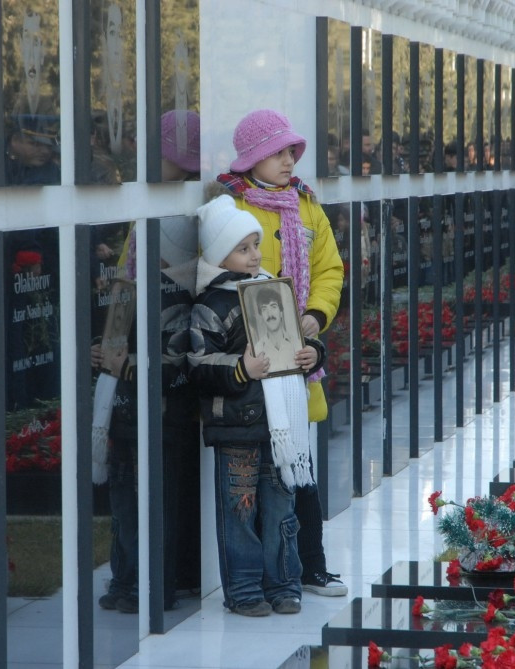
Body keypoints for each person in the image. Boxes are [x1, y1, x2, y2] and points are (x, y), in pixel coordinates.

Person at [211, 109, 348, 598]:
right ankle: (259, 580)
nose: (289, 160)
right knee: (252, 480)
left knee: (297, 469)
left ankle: (310, 568)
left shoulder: (307, 206)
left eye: (292, 151)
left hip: (293, 366)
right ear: (252, 157)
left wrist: (315, 316)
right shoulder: (228, 204)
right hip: (248, 369)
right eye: (278, 152)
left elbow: (330, 269)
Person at [189, 193, 325, 617]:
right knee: (240, 513)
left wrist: (313, 353)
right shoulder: (210, 305)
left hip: (281, 428)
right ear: (218, 255)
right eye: (242, 248)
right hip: (237, 427)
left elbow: (295, 339)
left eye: (255, 245)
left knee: (282, 509)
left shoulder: (271, 288)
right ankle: (244, 590)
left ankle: (283, 584)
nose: (253, 255)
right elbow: (197, 363)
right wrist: (241, 368)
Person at [250, 284, 297, 371]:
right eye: (264, 309)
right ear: (261, 316)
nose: (270, 314)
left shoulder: (297, 344)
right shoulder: (257, 350)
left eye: (273, 306)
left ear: (281, 312)